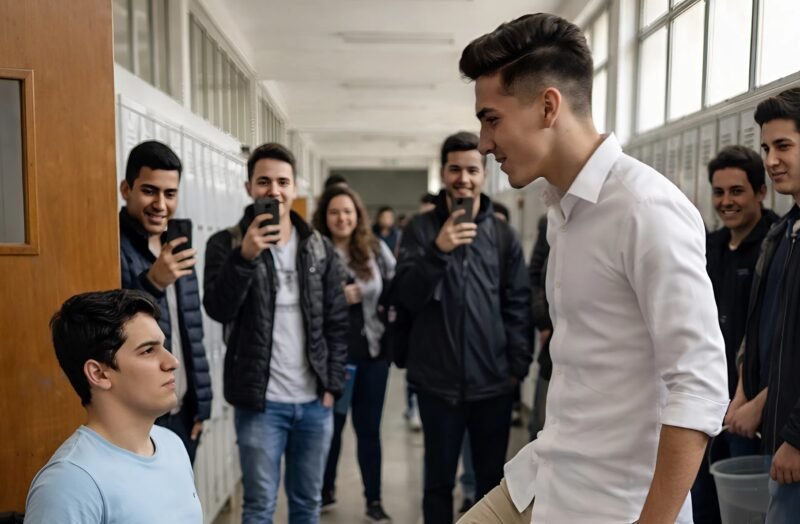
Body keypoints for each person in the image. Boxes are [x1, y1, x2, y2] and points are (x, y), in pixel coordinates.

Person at [457, 13, 728, 523]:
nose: (483, 144)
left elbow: (700, 384)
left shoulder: (644, 209)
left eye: (491, 119)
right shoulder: (562, 210)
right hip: (545, 476)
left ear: (548, 105)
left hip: (612, 505)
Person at [203, 143, 348, 524]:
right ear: (249, 187)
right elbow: (218, 308)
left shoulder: (318, 248)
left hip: (315, 402)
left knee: (306, 505)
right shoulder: (226, 243)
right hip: (259, 404)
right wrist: (244, 259)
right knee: (259, 507)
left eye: (282, 181)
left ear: (295, 188)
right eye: (263, 181)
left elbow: (336, 322)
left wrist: (331, 386)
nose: (274, 190)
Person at [393, 131, 532, 524]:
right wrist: (438, 250)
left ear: (484, 174)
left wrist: (515, 369)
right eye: (455, 169)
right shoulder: (419, 230)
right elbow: (405, 295)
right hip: (437, 385)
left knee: (491, 484)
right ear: (443, 173)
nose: (463, 178)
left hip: (493, 385)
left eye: (472, 169)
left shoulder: (502, 235)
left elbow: (517, 303)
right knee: (437, 483)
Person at [25, 289, 202, 523]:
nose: (172, 362)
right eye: (148, 350)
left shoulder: (172, 445)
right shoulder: (70, 483)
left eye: (164, 346)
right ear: (98, 373)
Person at [692, 145, 779, 523]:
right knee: (702, 505)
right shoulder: (705, 248)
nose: (726, 202)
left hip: (752, 416)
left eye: (737, 191)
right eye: (719, 192)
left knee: (747, 514)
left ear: (761, 192)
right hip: (705, 405)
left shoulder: (777, 245)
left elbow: (779, 337)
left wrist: (755, 401)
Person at [728, 87, 800, 520]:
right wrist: (744, 391)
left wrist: (796, 437)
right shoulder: (784, 234)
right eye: (766, 147)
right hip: (778, 439)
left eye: (784, 146)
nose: (770, 159)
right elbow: (764, 333)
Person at [118, 140, 212, 464]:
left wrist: (201, 405)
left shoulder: (177, 247)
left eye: (170, 194)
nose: (160, 204)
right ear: (126, 189)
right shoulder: (108, 244)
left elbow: (192, 332)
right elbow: (110, 326)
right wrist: (152, 283)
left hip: (184, 412)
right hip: (140, 417)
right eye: (149, 190)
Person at [313, 186, 396, 522]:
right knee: (331, 427)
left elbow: (396, 280)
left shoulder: (374, 248)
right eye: (334, 212)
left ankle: (373, 501)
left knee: (369, 430)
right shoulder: (315, 250)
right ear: (325, 217)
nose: (341, 218)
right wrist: (336, 294)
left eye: (347, 211)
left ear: (357, 215)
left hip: (372, 354)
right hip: (334, 358)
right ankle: (325, 490)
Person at [528, 214, 552, 442]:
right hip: (554, 346)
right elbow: (534, 274)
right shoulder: (551, 221)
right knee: (541, 427)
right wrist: (543, 321)